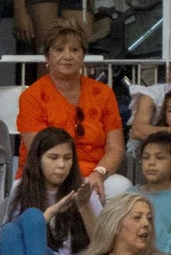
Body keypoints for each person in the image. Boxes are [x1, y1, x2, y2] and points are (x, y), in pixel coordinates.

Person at [16, 21, 127, 198]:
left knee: (121, 186)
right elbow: (38, 150)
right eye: (59, 50)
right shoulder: (32, 96)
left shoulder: (103, 93)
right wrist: (72, 180)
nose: (68, 56)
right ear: (47, 56)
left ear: (83, 56)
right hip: (46, 177)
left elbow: (115, 147)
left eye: (75, 50)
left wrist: (98, 173)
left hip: (94, 176)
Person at [0, 127, 101, 255]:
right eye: (53, 157)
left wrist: (83, 206)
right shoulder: (21, 187)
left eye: (67, 158)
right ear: (38, 159)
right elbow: (9, 238)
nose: (61, 165)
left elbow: (102, 244)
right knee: (12, 230)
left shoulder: (83, 190)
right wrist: (49, 213)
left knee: (29, 218)